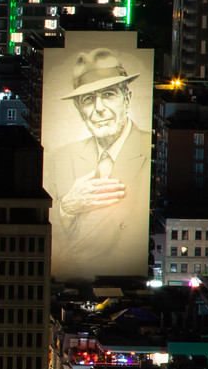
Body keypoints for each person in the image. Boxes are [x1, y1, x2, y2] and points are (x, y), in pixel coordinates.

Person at [50, 47, 149, 276]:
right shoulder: (60, 158)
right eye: (87, 100)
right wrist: (66, 208)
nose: (99, 108)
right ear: (78, 109)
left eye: (108, 95)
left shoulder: (148, 148)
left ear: (127, 99)